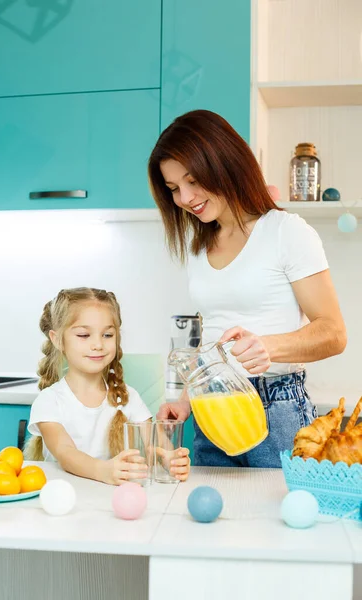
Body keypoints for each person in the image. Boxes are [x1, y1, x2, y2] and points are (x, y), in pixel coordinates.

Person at [148, 109, 347, 468]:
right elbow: (214, 342)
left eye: (193, 181)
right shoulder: (198, 245)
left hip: (277, 408)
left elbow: (333, 333)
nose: (185, 198)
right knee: (210, 519)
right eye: (174, 188)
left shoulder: (286, 231)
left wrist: (267, 346)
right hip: (212, 411)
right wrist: (186, 401)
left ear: (224, 164)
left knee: (278, 520)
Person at [25, 287, 190, 485]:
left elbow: (154, 444)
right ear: (57, 339)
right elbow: (65, 452)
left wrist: (171, 458)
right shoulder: (49, 401)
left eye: (108, 335)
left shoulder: (129, 398)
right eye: (84, 335)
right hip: (63, 498)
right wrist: (103, 471)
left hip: (110, 500)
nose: (98, 344)